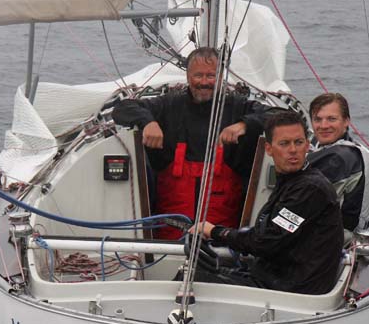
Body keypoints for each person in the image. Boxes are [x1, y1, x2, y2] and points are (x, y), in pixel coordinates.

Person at [112, 47, 269, 239]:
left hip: (221, 238)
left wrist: (245, 125)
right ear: (187, 76)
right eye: (198, 75)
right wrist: (148, 122)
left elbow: (281, 117)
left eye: (211, 75)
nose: (204, 82)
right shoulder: (169, 105)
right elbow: (121, 109)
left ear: (221, 77)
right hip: (170, 235)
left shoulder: (239, 106)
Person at [191, 111, 344, 295]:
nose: (293, 150)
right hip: (272, 277)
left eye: (298, 142)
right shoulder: (291, 182)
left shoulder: (310, 190)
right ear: (269, 149)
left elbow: (266, 242)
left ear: (307, 146)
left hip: (290, 291)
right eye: (284, 144)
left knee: (193, 281)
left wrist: (214, 231)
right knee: (192, 269)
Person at [306, 93, 369, 236]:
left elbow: (306, 207)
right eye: (318, 119)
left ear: (346, 121)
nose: (324, 125)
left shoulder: (338, 159)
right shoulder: (347, 148)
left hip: (334, 237)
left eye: (331, 119)